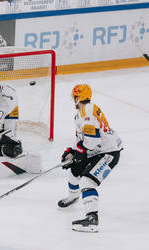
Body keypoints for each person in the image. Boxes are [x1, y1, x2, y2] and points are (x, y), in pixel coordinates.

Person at [58, 84, 123, 233]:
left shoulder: (87, 111)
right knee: (74, 171)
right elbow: (84, 139)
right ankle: (73, 196)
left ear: (77, 98)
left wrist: (78, 153)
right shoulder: (82, 112)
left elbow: (92, 142)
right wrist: (72, 151)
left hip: (109, 153)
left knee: (86, 181)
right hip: (96, 151)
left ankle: (92, 219)